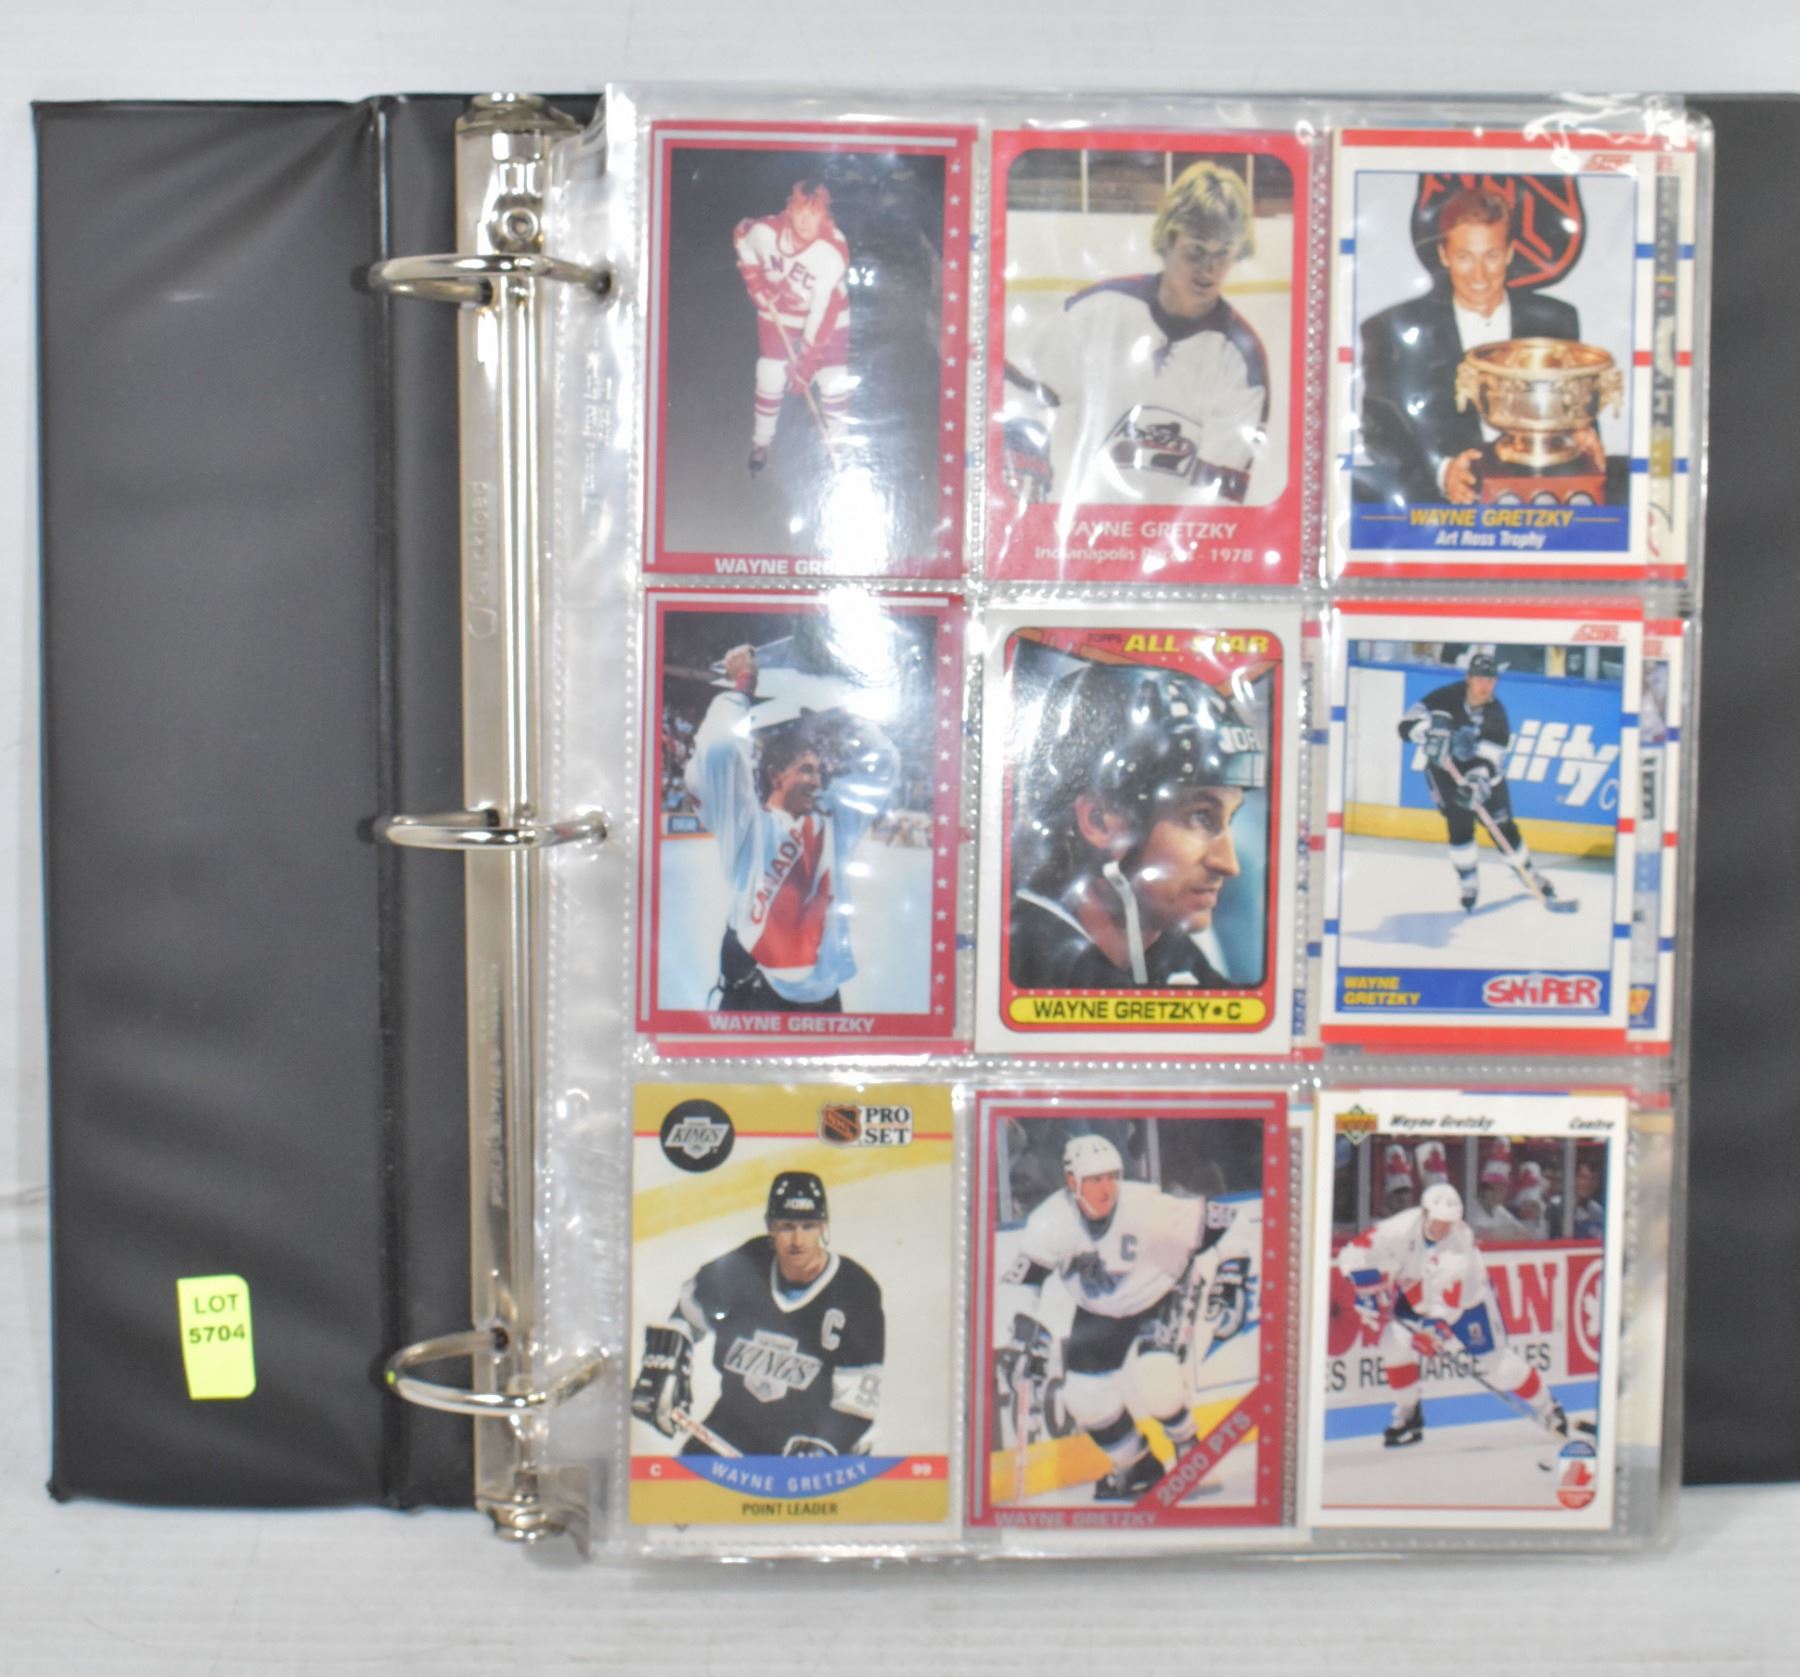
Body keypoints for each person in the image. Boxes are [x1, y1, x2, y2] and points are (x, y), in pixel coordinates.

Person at [1001, 160, 1272, 509]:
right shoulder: (1097, 310)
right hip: (1082, 526)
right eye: (1197, 251)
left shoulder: (1241, 359)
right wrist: (1027, 461)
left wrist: (1158, 537)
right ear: (1168, 241)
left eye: (1224, 254)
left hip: (1171, 539)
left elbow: (1217, 497)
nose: (1210, 269)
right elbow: (1022, 390)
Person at [1003, 1133, 1248, 1500]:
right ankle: (1137, 1464)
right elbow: (1023, 1281)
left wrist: (1231, 1275)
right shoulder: (1049, 1221)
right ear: (1071, 1182)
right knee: (1084, 1398)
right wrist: (1024, 1329)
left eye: (1112, 1178)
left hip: (1162, 1288)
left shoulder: (1147, 1205)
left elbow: (1229, 1222)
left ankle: (1186, 1442)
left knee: (1156, 1382)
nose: (1106, 1190)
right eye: (1094, 1180)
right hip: (1102, 1306)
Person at [1009, 657, 1264, 988]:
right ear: (1099, 822)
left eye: (1229, 818)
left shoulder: (1171, 956)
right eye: (1200, 816)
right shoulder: (1027, 966)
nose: (1228, 864)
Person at [684, 642, 897, 1012]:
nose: (818, 780)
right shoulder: (746, 824)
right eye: (806, 770)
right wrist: (742, 686)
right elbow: (720, 748)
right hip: (754, 993)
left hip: (822, 1002)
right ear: (775, 775)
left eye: (819, 770)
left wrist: (849, 711)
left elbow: (885, 763)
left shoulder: (835, 826)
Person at [1358, 184, 1595, 507]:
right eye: (1465, 257)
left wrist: (1584, 440)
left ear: (1509, 253)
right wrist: (1442, 472)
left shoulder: (1556, 321)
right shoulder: (1391, 329)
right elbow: (1379, 433)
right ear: (1444, 255)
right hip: (1438, 510)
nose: (1479, 275)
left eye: (1492, 255)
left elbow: (1579, 415)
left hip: (1541, 504)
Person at [630, 1172, 884, 1458]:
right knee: (680, 1483)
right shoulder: (750, 1262)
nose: (798, 1240)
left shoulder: (855, 1290)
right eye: (786, 1226)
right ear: (769, 1226)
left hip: (805, 1441)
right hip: (733, 1427)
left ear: (823, 1226)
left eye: (808, 1226)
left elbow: (857, 1405)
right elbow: (689, 1312)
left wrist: (826, 1446)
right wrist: (666, 1358)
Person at [1337, 1182, 1572, 1449]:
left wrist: (1432, 1332)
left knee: (1499, 1368)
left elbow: (1447, 1305)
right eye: (1438, 1221)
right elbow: (1355, 1252)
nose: (1442, 1228)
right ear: (1424, 1213)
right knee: (1394, 1341)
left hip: (1468, 1304)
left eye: (1448, 1223)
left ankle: (1549, 1407)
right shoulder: (1400, 1227)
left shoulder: (1459, 1247)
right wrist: (1366, 1289)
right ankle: (1409, 1413)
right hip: (1417, 1294)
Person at [1396, 651, 1558, 912]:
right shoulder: (1445, 697)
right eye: (1480, 678)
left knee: (1503, 828)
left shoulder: (1497, 715)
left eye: (1491, 680)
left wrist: (1475, 783)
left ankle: (1527, 873)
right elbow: (1406, 723)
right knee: (1459, 827)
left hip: (1485, 778)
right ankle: (1468, 882)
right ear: (1469, 678)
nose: (1485, 685)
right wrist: (1420, 730)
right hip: (1445, 773)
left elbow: (1490, 761)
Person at [733, 179, 853, 473]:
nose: (805, 221)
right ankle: (761, 442)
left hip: (829, 317)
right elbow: (741, 236)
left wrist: (806, 365)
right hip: (781, 312)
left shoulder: (831, 251)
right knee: (770, 372)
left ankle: (840, 444)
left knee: (832, 377)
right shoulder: (766, 232)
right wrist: (755, 282)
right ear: (790, 209)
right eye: (800, 211)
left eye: (813, 213)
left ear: (824, 215)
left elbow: (822, 313)